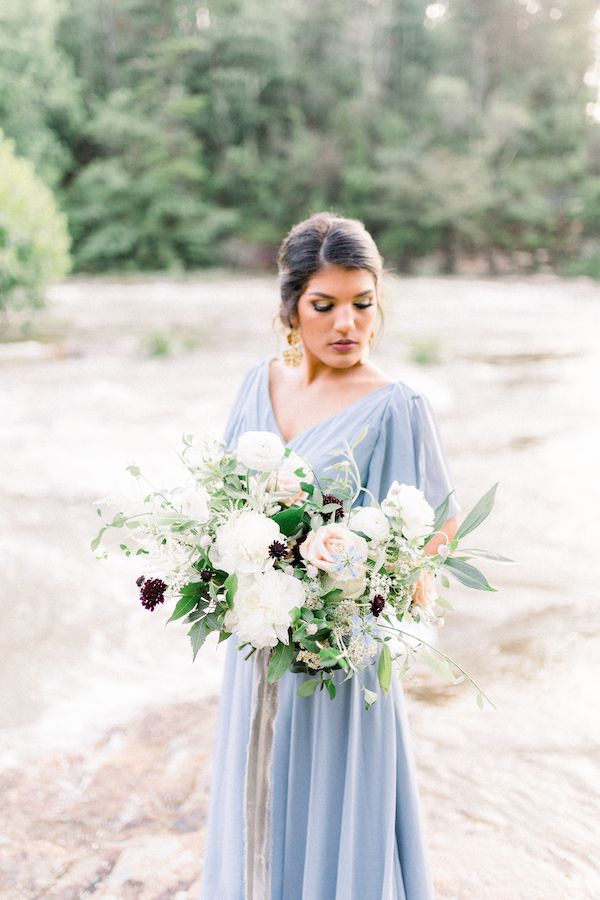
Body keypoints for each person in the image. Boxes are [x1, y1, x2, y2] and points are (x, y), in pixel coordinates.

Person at [198, 211, 461, 900]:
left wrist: (351, 588)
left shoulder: (397, 406)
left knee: (339, 826)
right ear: (292, 310)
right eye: (326, 306)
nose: (348, 323)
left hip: (339, 659)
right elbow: (222, 509)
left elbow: (438, 527)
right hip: (258, 642)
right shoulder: (259, 386)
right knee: (258, 803)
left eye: (362, 304)